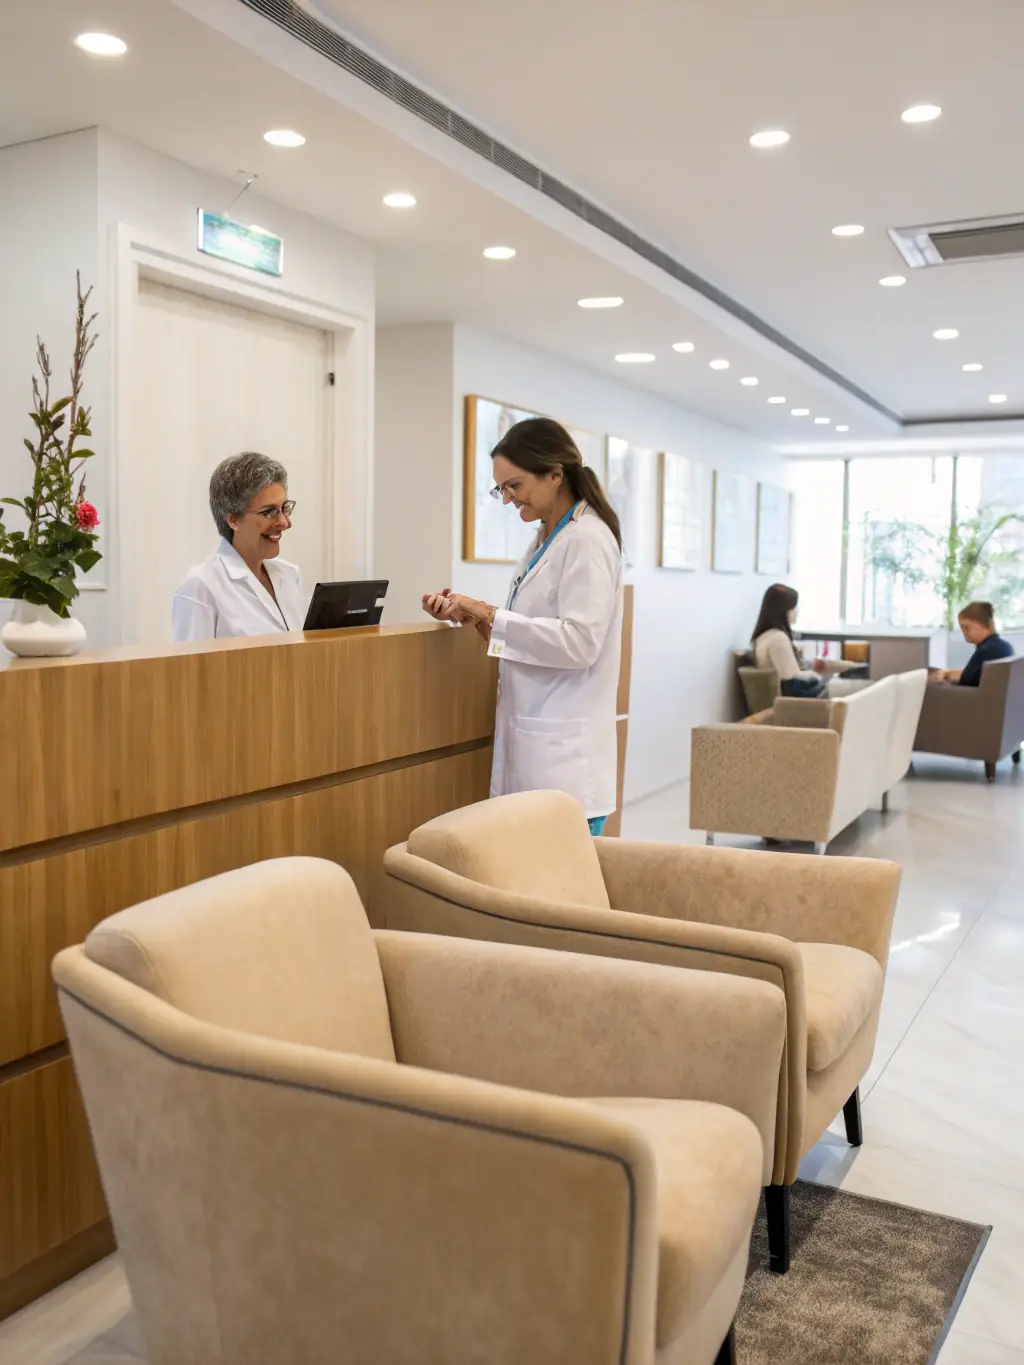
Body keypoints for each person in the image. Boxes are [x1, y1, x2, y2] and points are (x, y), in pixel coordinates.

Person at [422, 418, 623, 834]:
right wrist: (475, 617)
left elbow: (581, 643)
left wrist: (492, 615)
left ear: (554, 473)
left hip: (566, 765)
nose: (508, 499)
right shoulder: (548, 537)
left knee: (560, 895)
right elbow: (532, 635)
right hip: (537, 754)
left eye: (514, 486)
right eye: (502, 489)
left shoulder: (587, 539)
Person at [172, 452, 306, 641]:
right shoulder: (202, 587)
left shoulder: (290, 575)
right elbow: (189, 669)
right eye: (269, 512)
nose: (284, 522)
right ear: (233, 520)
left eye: (284, 508)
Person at [751, 583, 828, 697]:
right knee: (837, 685)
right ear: (782, 610)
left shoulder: (763, 637)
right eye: (793, 607)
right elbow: (791, 680)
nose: (796, 611)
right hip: (788, 702)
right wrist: (816, 675)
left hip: (779, 698)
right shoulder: (778, 639)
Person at [931, 601, 1014, 686]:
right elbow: (974, 676)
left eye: (966, 627)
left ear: (983, 625)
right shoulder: (1005, 647)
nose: (963, 632)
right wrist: (948, 673)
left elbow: (965, 684)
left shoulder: (985, 652)